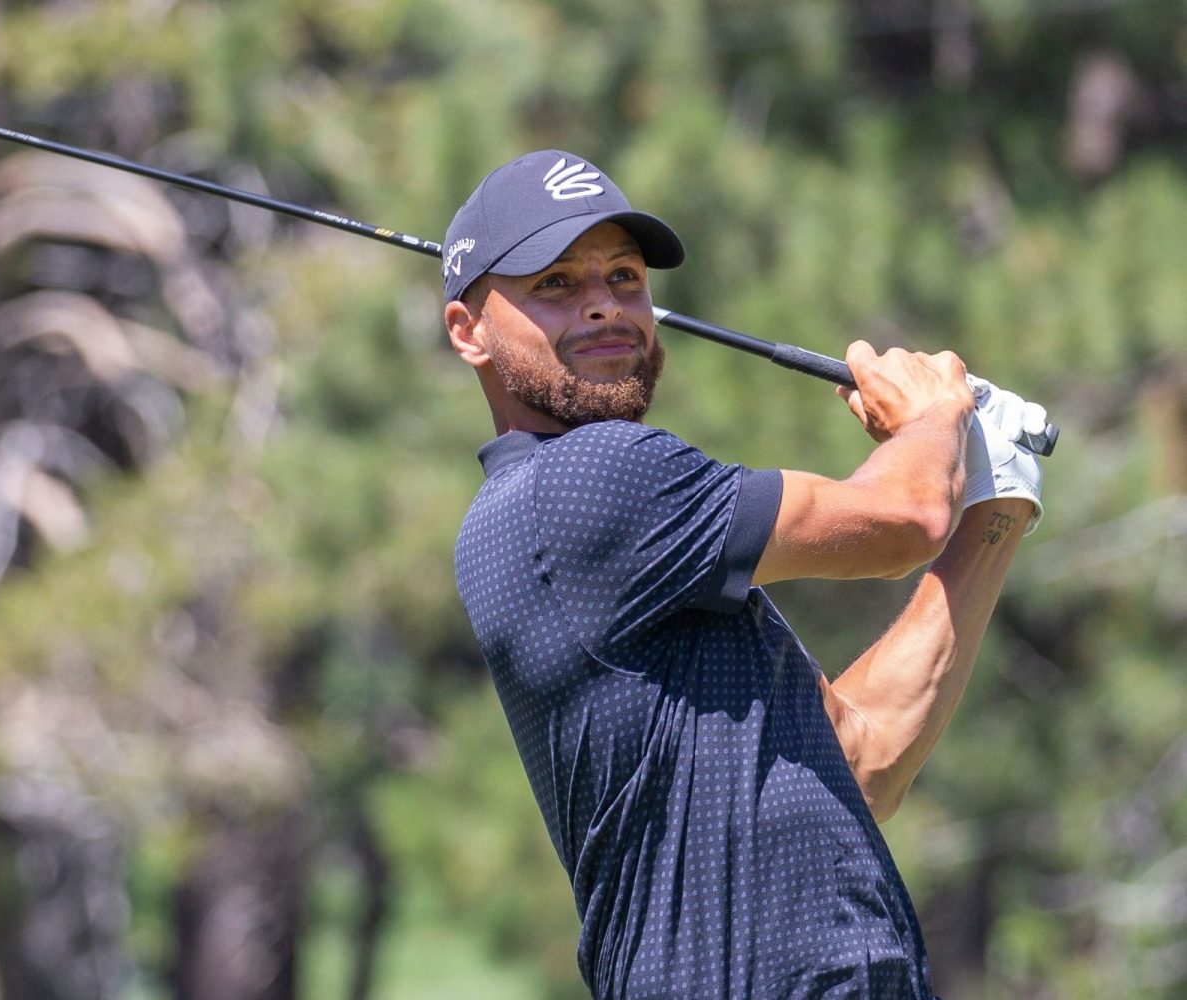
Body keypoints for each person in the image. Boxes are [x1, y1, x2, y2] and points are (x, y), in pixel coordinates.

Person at [440, 150, 1048, 999]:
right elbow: (906, 518)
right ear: (469, 332)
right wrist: (937, 413)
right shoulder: (588, 479)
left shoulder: (649, 553)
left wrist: (998, 506)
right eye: (555, 282)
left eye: (623, 276)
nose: (605, 304)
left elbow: (862, 761)